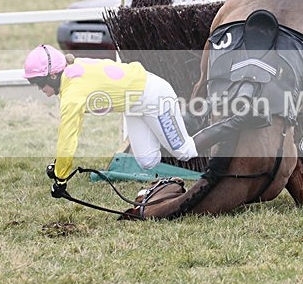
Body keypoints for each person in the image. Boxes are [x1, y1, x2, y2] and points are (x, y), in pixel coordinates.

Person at [23, 45, 238, 197]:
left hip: (154, 97)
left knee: (184, 151)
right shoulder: (69, 71)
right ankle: (186, 120)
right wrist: (58, 167)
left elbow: (67, 139)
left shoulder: (72, 94)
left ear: (53, 76)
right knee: (147, 161)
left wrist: (61, 177)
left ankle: (235, 122)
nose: (41, 90)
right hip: (135, 105)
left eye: (40, 84)